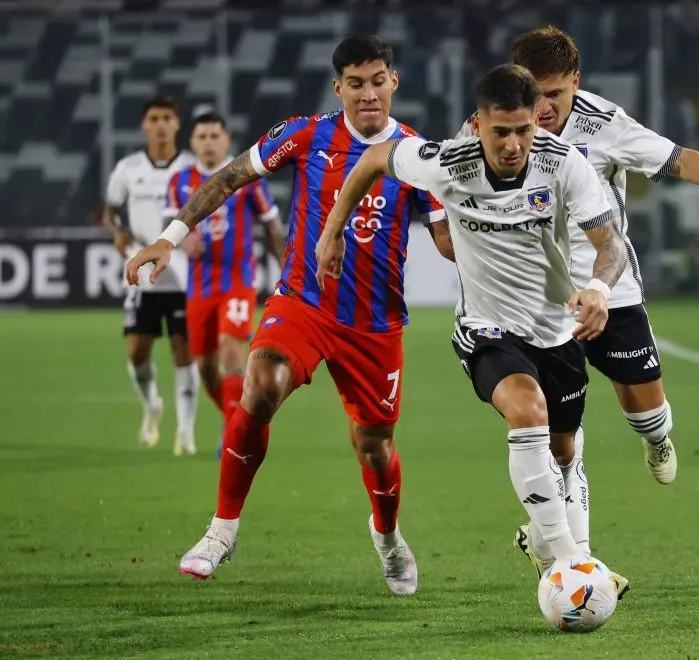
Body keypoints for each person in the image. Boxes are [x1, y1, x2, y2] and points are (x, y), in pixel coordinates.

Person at [125, 35, 447, 594]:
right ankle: (221, 530)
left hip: (375, 325)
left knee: (375, 445)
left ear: (393, 82)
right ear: (338, 87)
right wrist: (170, 237)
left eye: (377, 81)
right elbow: (230, 177)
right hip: (303, 301)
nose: (367, 94)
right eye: (355, 83)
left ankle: (389, 537)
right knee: (260, 383)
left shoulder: (418, 154)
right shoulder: (307, 133)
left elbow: (445, 240)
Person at [315, 63, 631, 595]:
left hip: (556, 329)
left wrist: (598, 291)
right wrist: (333, 230)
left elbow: (611, 245)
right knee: (527, 411)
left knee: (565, 451)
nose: (513, 144)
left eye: (524, 130)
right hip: (486, 328)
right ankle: (572, 564)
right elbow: (372, 157)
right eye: (500, 131)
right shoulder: (446, 163)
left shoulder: (564, 164)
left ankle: (550, 544)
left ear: (537, 121)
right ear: (478, 124)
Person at [487, 26, 699, 574]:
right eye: (534, 93)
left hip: (610, 289)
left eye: (555, 94)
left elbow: (677, 159)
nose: (543, 108)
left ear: (576, 81)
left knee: (647, 412)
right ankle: (570, 554)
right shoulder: (496, 124)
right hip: (541, 304)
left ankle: (657, 439)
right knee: (559, 438)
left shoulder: (604, 124)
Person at [164, 111, 286, 443]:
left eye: (214, 136)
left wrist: (286, 270)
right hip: (200, 287)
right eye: (201, 137)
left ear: (226, 139)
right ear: (192, 142)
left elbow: (273, 226)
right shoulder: (178, 182)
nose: (208, 143)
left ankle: (234, 435)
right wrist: (184, 241)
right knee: (204, 367)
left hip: (238, 282)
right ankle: (234, 417)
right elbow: (171, 228)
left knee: (232, 352)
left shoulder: (247, 177)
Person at [102, 94, 199, 455]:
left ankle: (186, 432)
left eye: (167, 118)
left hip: (186, 277)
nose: (160, 125)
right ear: (144, 125)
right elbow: (110, 212)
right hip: (142, 275)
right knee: (137, 350)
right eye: (154, 118)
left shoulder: (191, 167)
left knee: (183, 352)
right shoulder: (128, 169)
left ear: (177, 124)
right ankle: (152, 405)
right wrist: (118, 233)